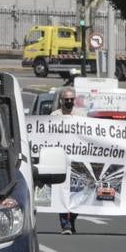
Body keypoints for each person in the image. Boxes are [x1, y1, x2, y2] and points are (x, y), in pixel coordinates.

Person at [53, 86, 81, 235]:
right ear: (61, 100)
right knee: (61, 193)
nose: (69, 102)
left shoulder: (81, 116)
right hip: (60, 161)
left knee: (77, 193)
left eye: (71, 99)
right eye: (66, 99)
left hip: (77, 162)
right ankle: (65, 225)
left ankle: (73, 220)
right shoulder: (54, 115)